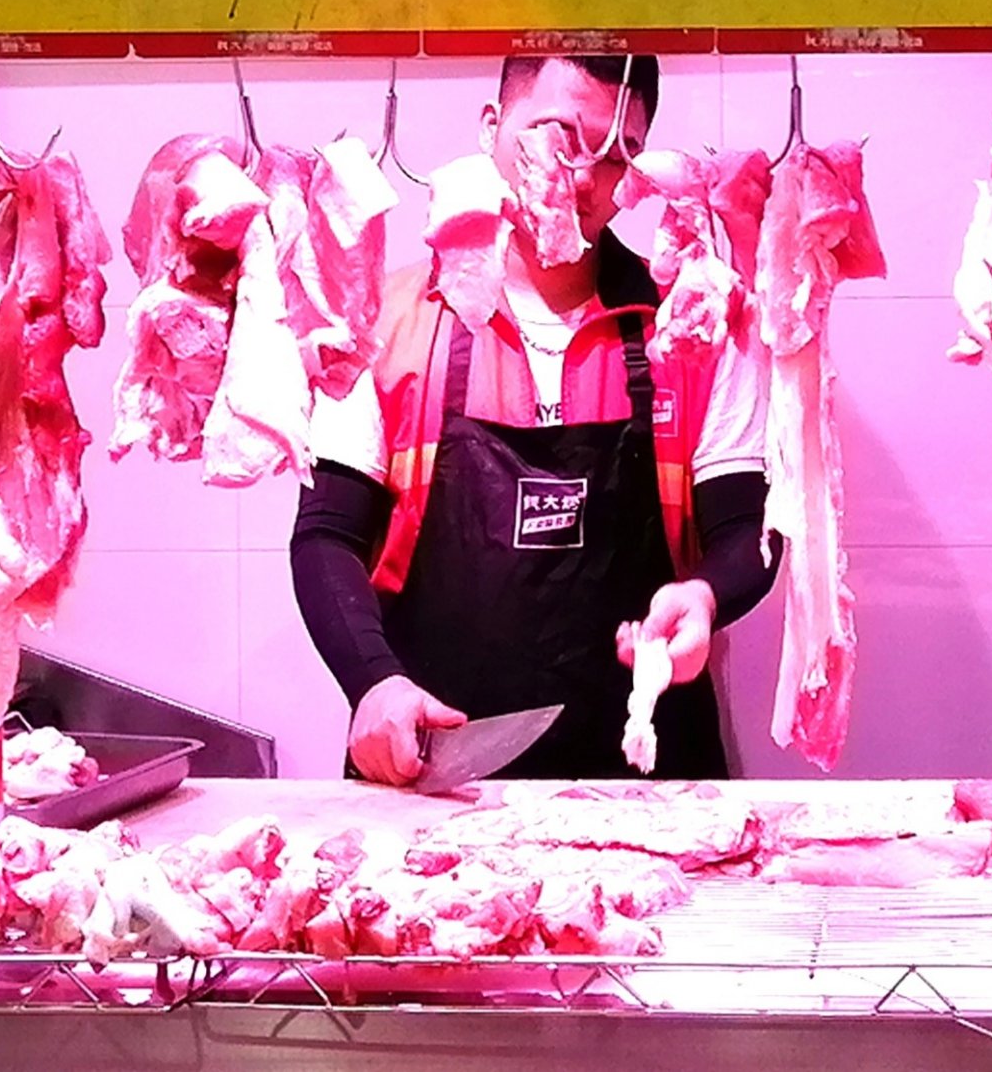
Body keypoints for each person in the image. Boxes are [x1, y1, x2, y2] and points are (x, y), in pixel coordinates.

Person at [290, 54, 780, 784]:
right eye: (559, 135)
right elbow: (328, 534)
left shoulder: (692, 322)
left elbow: (747, 530)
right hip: (434, 779)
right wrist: (373, 681)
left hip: (651, 787)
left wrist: (705, 596)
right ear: (492, 126)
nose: (582, 177)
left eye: (617, 154)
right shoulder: (384, 320)